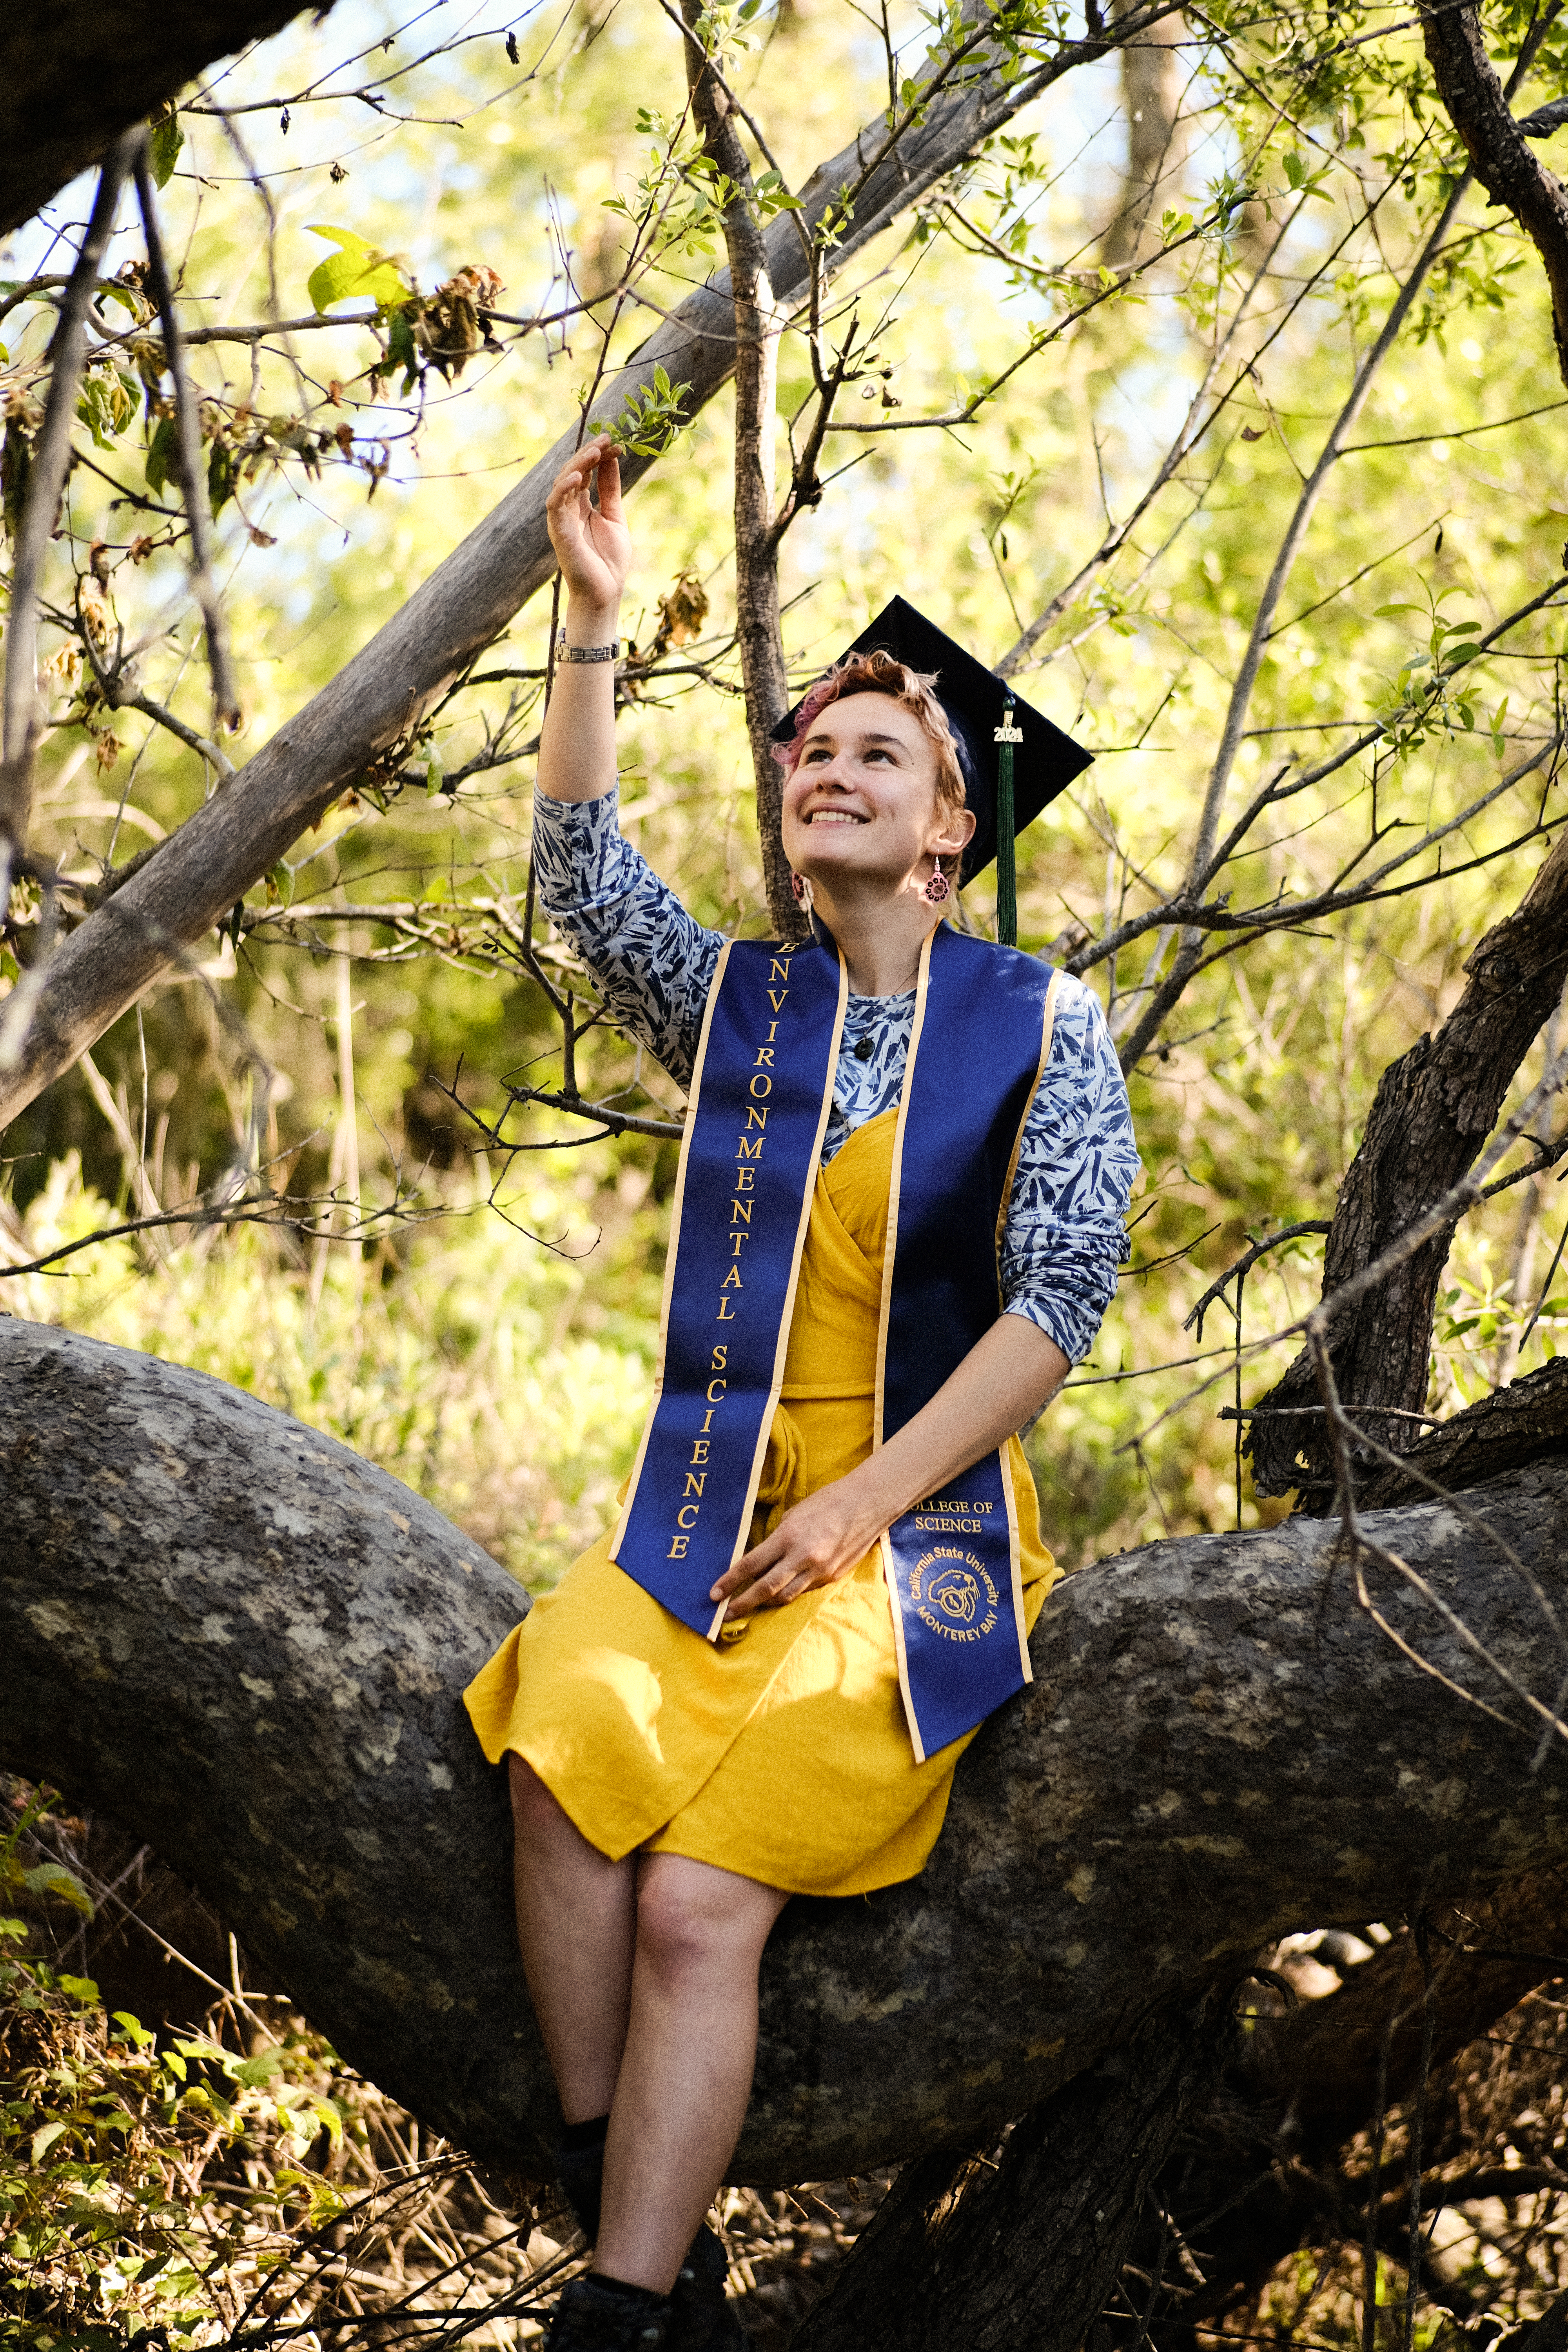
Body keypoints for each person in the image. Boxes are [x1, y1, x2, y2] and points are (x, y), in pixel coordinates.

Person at [463, 435, 1139, 2352]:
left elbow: (1057, 1300)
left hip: (906, 1541)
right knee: (559, 1761)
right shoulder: (747, 1007)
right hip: (702, 1523)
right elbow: (587, 878)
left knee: (694, 1902)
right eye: (806, 756)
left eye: (874, 759)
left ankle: (619, 2308)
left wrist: (859, 1506)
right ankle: (641, 2217)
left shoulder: (1042, 1023)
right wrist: (592, 618)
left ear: (948, 827)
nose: (823, 774)